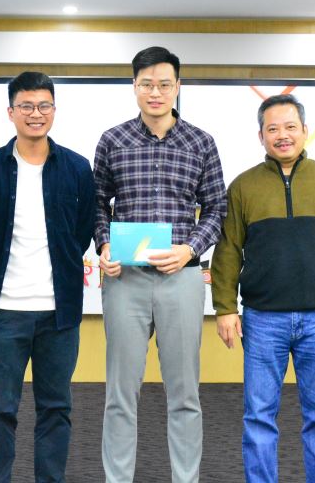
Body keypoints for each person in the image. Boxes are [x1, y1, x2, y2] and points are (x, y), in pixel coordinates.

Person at [210, 94, 315, 483]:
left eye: (290, 127)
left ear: (305, 131)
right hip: (262, 321)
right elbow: (228, 251)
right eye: (273, 128)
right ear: (261, 135)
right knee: (259, 417)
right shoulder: (243, 187)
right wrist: (225, 308)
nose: (282, 135)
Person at [95, 46, 227, 483]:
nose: (156, 92)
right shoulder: (113, 140)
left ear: (177, 87)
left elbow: (217, 209)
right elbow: (97, 203)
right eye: (147, 84)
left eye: (164, 84)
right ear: (134, 86)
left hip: (181, 279)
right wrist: (104, 244)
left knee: (185, 394)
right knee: (120, 394)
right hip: (126, 279)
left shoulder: (201, 142)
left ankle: (185, 478)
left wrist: (190, 249)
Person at [0, 71, 95, 483]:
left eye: (43, 106)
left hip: (60, 314)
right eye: (26, 106)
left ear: (54, 110)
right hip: (5, 313)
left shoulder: (76, 167)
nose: (35, 114)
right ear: (11, 112)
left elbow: (82, 232)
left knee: (56, 409)